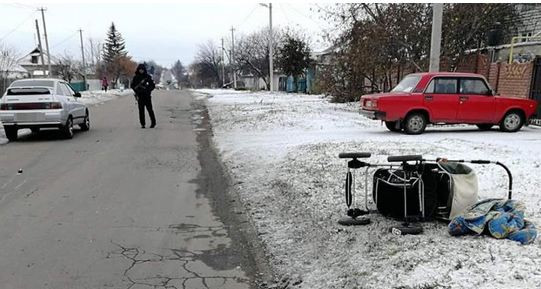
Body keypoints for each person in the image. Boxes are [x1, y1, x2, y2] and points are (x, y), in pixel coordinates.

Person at [131, 64, 156, 128]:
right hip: (140, 96)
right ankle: (142, 123)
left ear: (144, 70)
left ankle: (153, 122)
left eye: (142, 70)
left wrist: (148, 90)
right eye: (140, 70)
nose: (141, 71)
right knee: (141, 110)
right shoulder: (136, 77)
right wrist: (137, 91)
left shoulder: (147, 77)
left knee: (150, 110)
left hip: (147, 96)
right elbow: (133, 86)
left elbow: (152, 85)